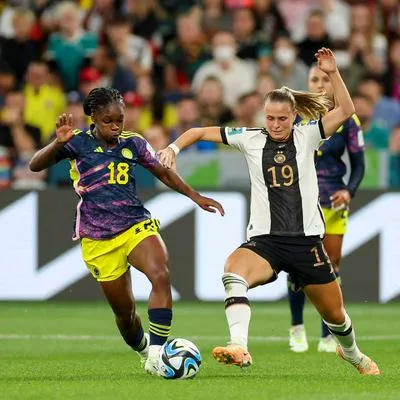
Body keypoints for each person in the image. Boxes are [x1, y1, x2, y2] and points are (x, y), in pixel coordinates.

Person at [158, 48, 380, 376]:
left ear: (294, 117)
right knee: (233, 272)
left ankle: (354, 355)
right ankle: (239, 345)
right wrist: (173, 148)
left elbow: (347, 109)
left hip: (306, 243)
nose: (276, 125)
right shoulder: (249, 138)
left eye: (282, 119)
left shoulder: (309, 135)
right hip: (266, 242)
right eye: (270, 118)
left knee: (337, 317)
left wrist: (333, 72)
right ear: (263, 115)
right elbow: (200, 131)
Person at [29, 87, 225, 376]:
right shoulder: (76, 143)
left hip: (135, 224)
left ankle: (158, 353)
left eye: (120, 119)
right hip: (97, 236)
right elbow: (35, 165)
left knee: (160, 273)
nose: (116, 126)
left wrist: (195, 196)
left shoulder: (133, 143)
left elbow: (162, 171)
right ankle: (145, 350)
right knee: (125, 314)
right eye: (109, 120)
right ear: (93, 117)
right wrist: (56, 144)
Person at [287, 64, 366, 354]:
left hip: (333, 200)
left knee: (330, 266)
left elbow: (359, 164)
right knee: (297, 265)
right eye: (314, 79)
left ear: (334, 83)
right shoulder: (296, 117)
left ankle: (327, 333)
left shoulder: (347, 119)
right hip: (301, 201)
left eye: (325, 79)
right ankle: (296, 327)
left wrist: (350, 190)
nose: (320, 84)